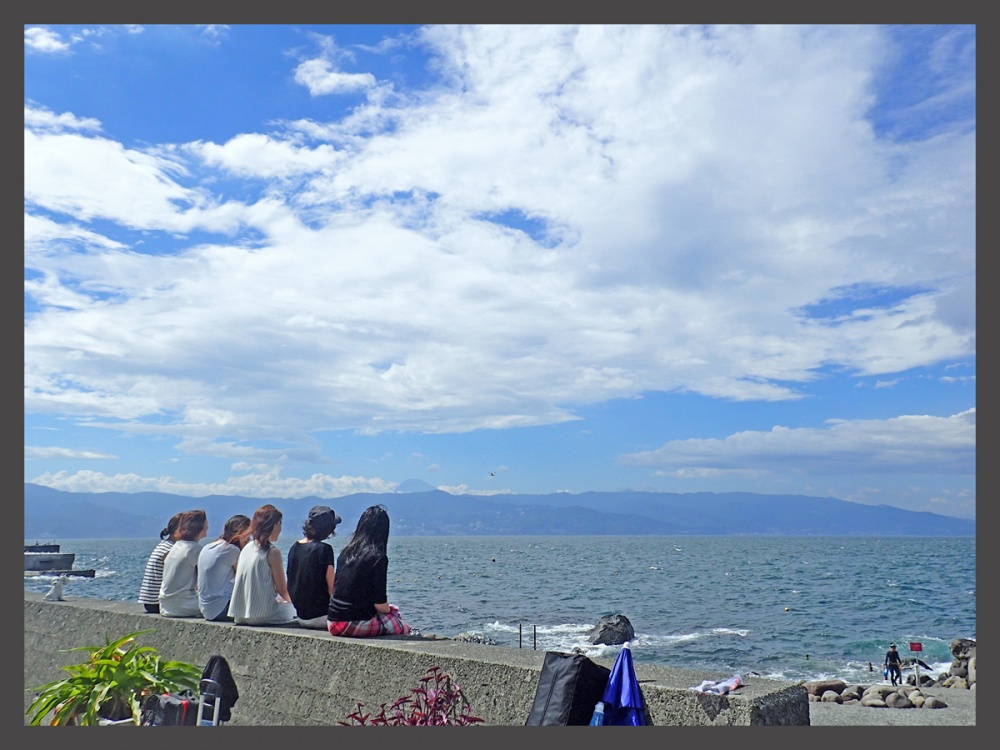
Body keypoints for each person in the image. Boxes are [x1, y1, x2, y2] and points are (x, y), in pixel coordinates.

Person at [327, 505, 411, 637]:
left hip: (332, 622)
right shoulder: (378, 557)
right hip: (352, 623)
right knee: (404, 627)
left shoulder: (345, 553)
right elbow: (380, 604)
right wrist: (390, 610)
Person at [228, 504, 297, 625]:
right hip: (263, 615)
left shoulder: (246, 548)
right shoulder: (272, 552)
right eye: (279, 524)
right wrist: (294, 604)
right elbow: (282, 589)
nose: (280, 528)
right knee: (296, 612)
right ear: (274, 525)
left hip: (240, 615)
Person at [286, 505, 341, 629]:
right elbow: (332, 589)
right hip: (322, 616)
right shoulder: (325, 550)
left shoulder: (294, 548)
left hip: (301, 616)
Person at [198, 514, 251, 621]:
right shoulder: (231, 550)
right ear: (239, 532)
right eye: (248, 534)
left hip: (206, 609)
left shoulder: (207, 547)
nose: (249, 539)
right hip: (221, 609)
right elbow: (246, 579)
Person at [159, 509, 208, 617]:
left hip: (165, 606)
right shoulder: (194, 549)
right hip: (183, 605)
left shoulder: (176, 546)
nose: (207, 526)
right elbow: (206, 581)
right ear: (200, 528)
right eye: (206, 523)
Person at [137, 512, 183, 613]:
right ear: (178, 531)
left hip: (150, 601)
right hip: (157, 603)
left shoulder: (164, 545)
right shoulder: (171, 550)